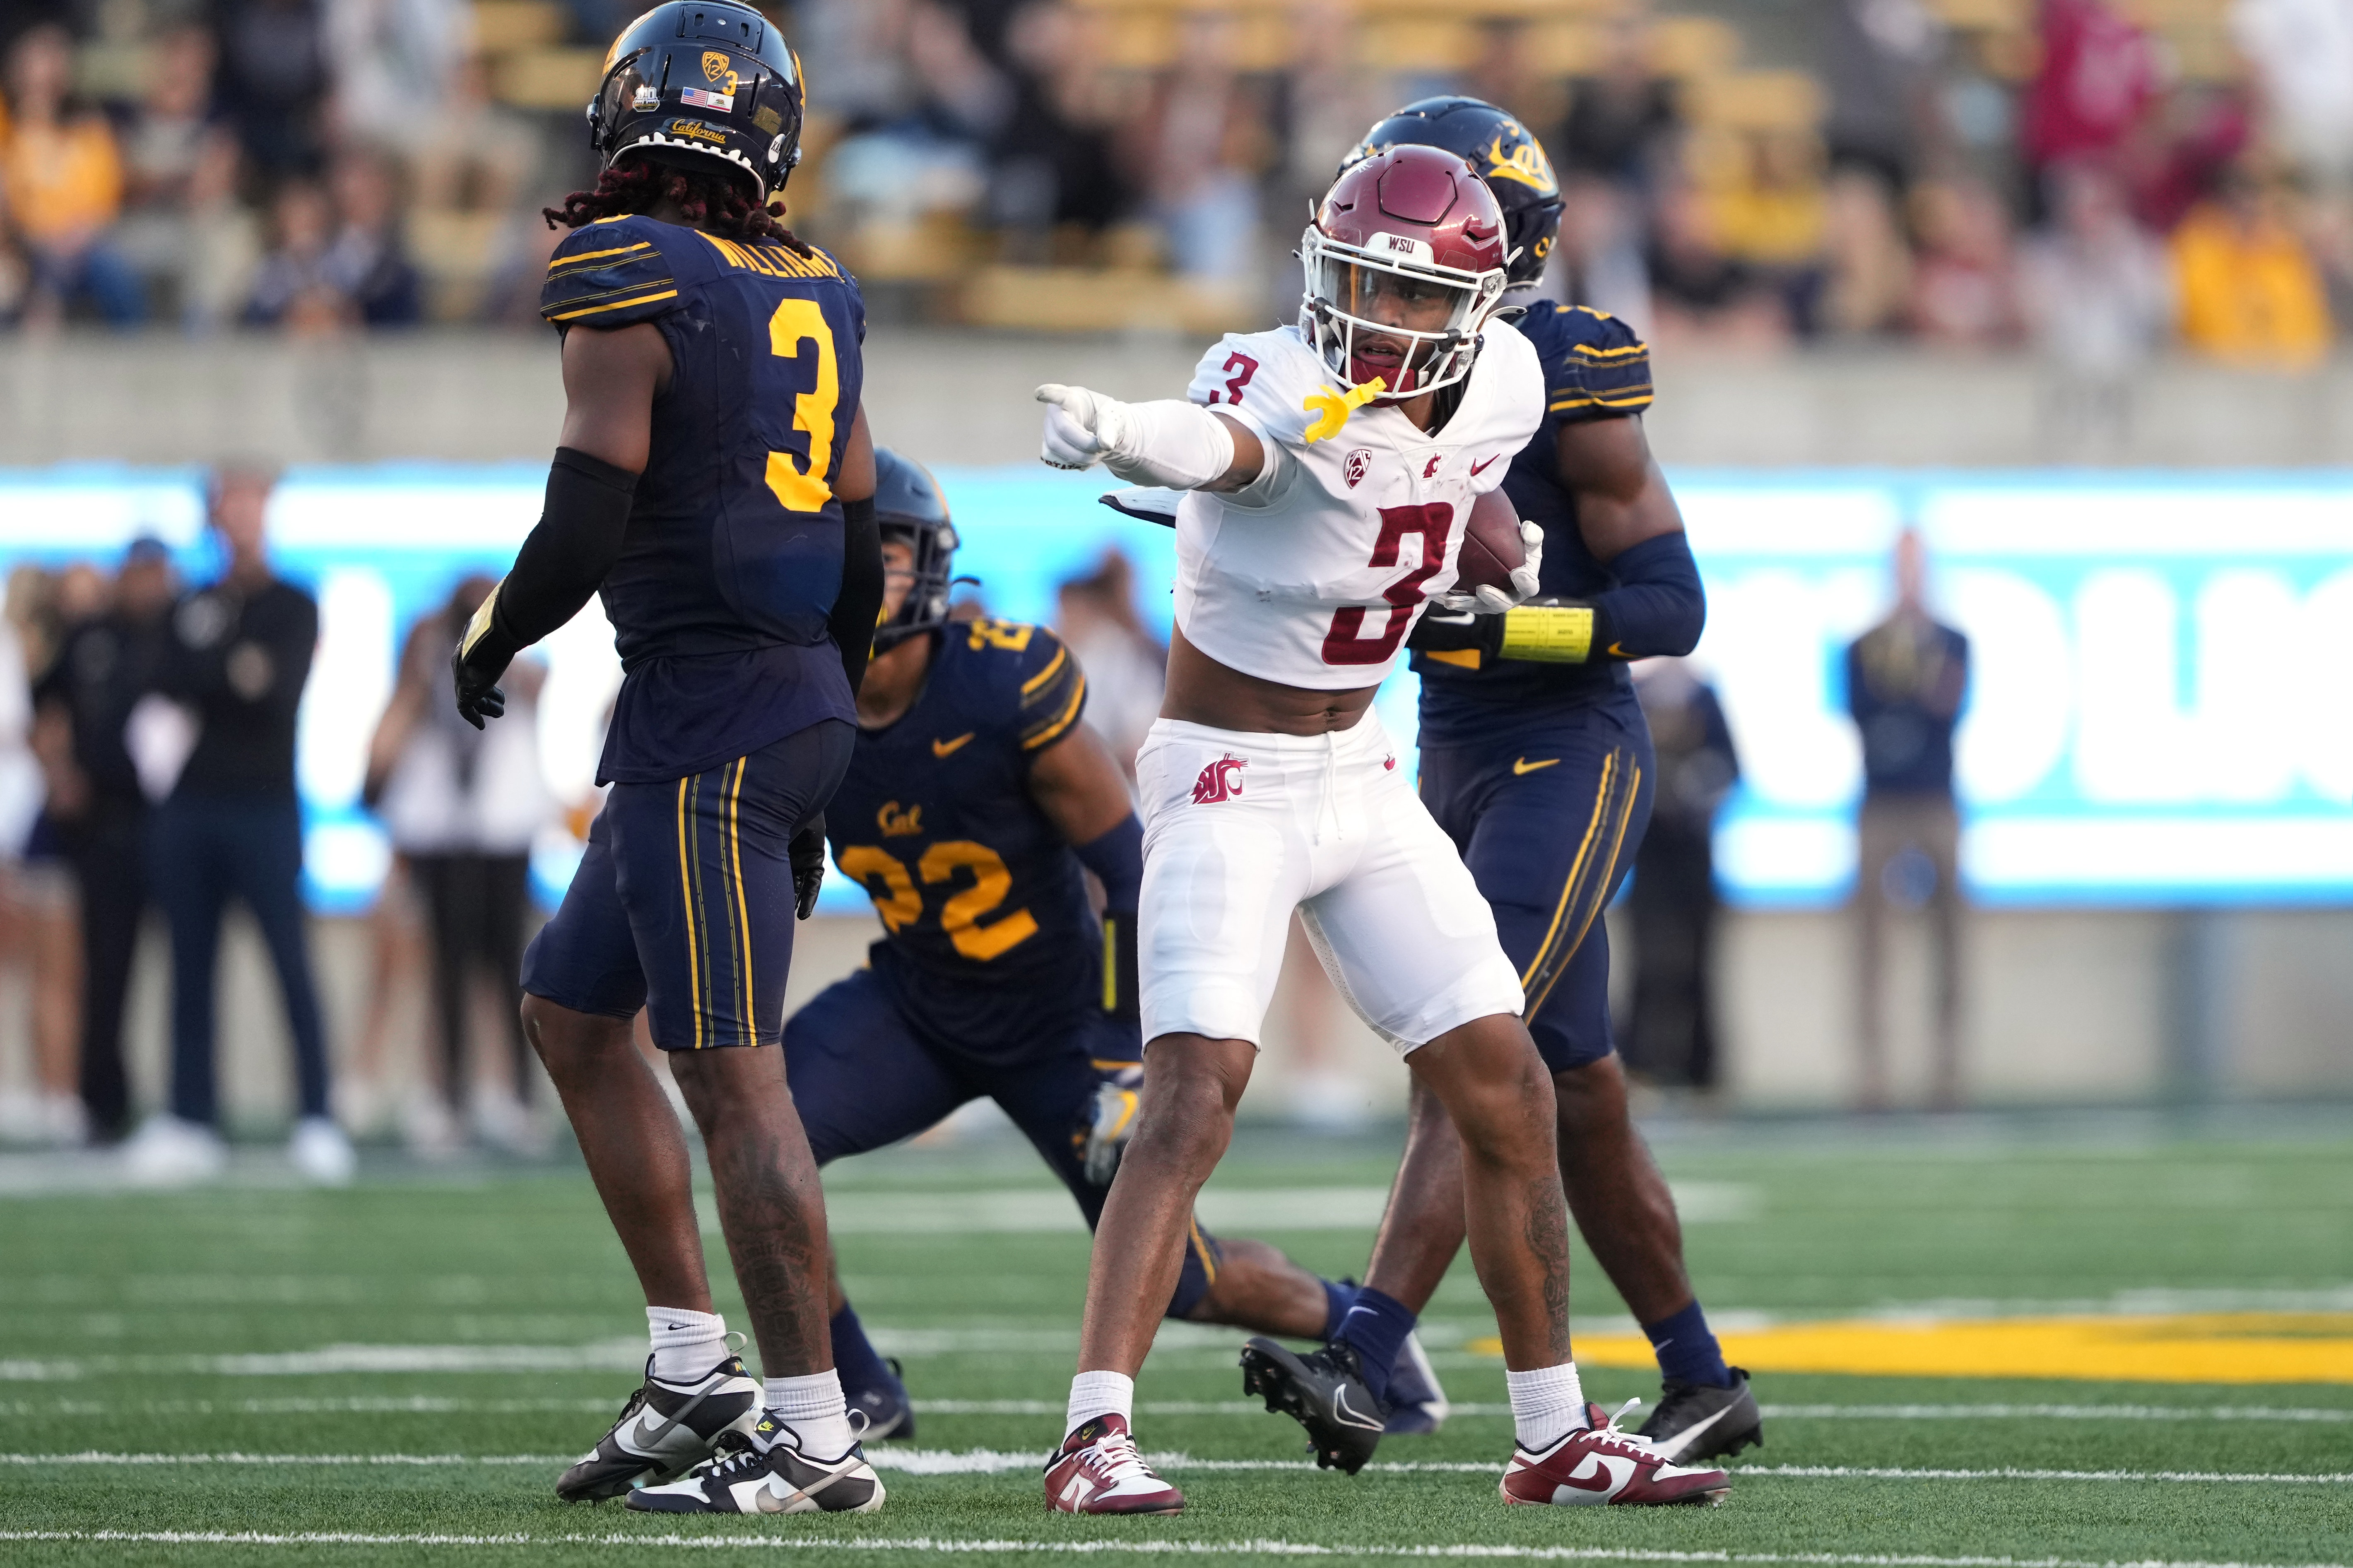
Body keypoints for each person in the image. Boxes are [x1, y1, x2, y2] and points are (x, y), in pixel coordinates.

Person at [1031, 141, 1729, 1513]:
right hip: (1228, 775)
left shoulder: (1513, 381)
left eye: (1413, 297)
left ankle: (1551, 1434)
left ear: (1477, 306)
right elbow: (1220, 438)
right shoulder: (1276, 372)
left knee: (1506, 1081)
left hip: (1360, 774)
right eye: (1358, 285)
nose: (1379, 318)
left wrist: (1476, 520)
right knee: (1194, 1095)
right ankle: (1092, 1433)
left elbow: (1456, 469)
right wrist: (1126, 426)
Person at [1248, 99, 1756, 1473]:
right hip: (1452, 751)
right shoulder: (1344, 379)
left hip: (1567, 745)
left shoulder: (1562, 372)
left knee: (1463, 1045)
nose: (1387, 285)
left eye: (1424, 252)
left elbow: (1672, 601)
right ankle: (1701, 1372)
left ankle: (1362, 1350)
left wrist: (1525, 626)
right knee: (1573, 1083)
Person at [450, 2, 887, 1517]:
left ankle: (815, 1429)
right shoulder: (812, 277)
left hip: (711, 720)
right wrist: (822, 729)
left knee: (730, 1077)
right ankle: (692, 1363)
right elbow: (851, 538)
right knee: (575, 1015)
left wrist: (491, 635)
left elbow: (584, 521)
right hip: (768, 705)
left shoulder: (621, 265)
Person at [784, 451, 1438, 1439]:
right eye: (847, 554)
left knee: (1182, 1279)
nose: (870, 576)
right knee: (764, 1136)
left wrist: (1117, 1051)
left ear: (932, 561)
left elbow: (1131, 874)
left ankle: (1352, 1321)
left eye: (887, 551)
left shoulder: (999, 680)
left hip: (1059, 1018)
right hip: (920, 1001)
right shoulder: (795, 696)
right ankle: (857, 1385)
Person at [121, 467, 352, 1188]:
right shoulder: (194, 601)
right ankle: (192, 1116)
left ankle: (317, 1113)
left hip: (264, 806)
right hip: (191, 807)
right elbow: (167, 677)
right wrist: (231, 671)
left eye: (254, 501)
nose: (243, 516)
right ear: (214, 517)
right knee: (189, 963)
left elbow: (274, 690)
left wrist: (219, 674)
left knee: (290, 960)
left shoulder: (292, 600)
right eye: (231, 503)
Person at [366, 577, 550, 1153]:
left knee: (508, 970)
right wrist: (426, 669)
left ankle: (513, 1096)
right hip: (442, 835)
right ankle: (447, 1094)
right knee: (446, 971)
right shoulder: (423, 675)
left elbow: (538, 690)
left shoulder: (515, 664)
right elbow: (385, 752)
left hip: (500, 832)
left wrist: (499, 650)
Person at [36, 538, 178, 1142]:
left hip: (176, 824)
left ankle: (188, 1103)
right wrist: (60, 773)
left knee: (189, 969)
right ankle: (103, 1103)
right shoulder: (92, 638)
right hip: (105, 824)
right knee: (105, 970)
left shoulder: (184, 633)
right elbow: (45, 707)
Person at [1845, 528, 1970, 1111]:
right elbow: (1862, 711)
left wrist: (1909, 688)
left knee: (1949, 936)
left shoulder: (1950, 642)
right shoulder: (1864, 644)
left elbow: (1945, 707)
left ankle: (1947, 1071)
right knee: (1870, 941)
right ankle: (1873, 1074)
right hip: (1880, 803)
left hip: (1934, 800)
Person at [1625, 658, 1740, 1093]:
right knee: (1646, 963)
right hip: (1650, 853)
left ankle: (1702, 1072)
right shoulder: (1637, 691)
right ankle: (1638, 1068)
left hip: (1695, 853)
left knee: (1700, 963)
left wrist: (1698, 788)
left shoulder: (1703, 695)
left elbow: (1731, 767)